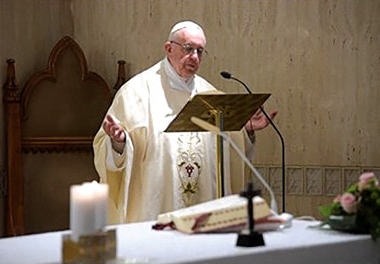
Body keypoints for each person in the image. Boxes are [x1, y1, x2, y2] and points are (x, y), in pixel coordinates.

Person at [93, 20, 277, 225]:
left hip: (204, 209)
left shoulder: (210, 95)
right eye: (188, 49)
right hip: (156, 206)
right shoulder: (135, 92)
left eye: (200, 51)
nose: (195, 57)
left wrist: (245, 130)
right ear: (169, 48)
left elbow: (229, 151)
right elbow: (104, 147)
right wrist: (119, 144)